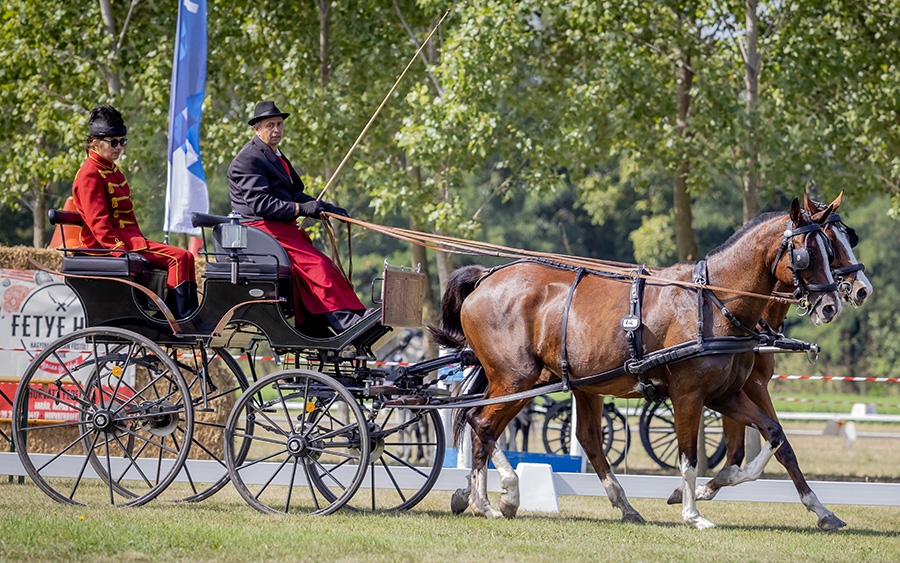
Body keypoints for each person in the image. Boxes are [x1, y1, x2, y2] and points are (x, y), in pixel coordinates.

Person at [227, 100, 365, 335]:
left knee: (326, 264)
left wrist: (325, 208)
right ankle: (345, 321)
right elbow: (261, 204)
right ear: (256, 129)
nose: (276, 130)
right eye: (270, 125)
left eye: (279, 124)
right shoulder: (248, 159)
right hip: (260, 230)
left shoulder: (276, 155)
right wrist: (302, 210)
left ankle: (348, 315)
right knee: (317, 265)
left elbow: (294, 194)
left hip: (280, 228)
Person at [71, 105, 198, 320]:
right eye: (114, 142)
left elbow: (126, 218)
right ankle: (178, 318)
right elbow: (98, 223)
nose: (119, 146)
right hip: (107, 246)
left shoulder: (110, 169)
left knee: (186, 256)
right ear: (95, 142)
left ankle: (187, 316)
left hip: (130, 240)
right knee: (179, 257)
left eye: (122, 141)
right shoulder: (90, 174)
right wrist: (120, 252)